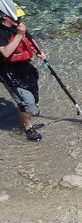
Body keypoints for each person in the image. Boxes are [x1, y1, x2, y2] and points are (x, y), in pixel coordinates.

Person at [1, 10, 46, 142]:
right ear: (5, 18)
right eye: (17, 17)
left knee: (30, 97)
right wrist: (20, 34)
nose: (20, 19)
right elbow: (6, 53)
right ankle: (28, 127)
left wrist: (39, 52)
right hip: (7, 72)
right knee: (27, 101)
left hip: (25, 69)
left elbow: (30, 40)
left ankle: (23, 125)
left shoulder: (19, 26)